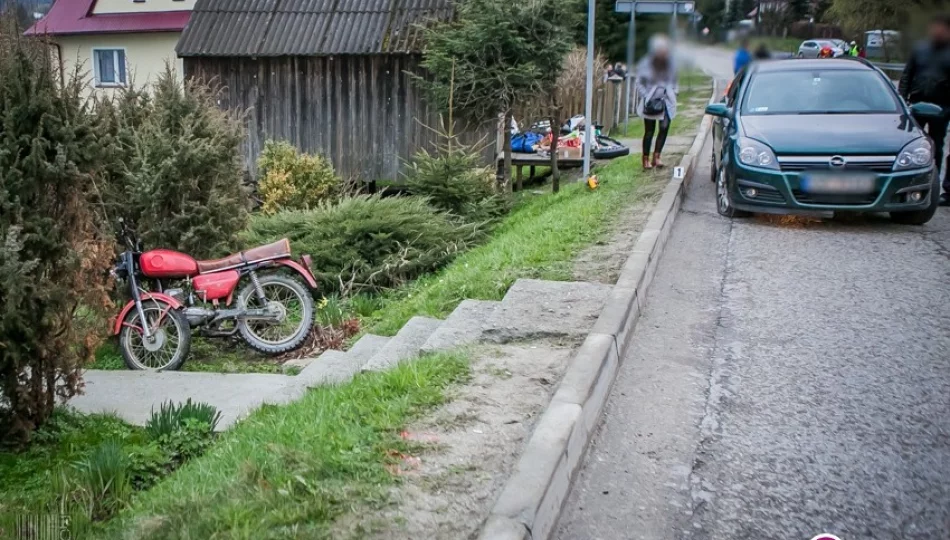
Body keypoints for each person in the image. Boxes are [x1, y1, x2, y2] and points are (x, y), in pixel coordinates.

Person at [899, 14, 950, 205]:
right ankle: (911, 182)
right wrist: (902, 101)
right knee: (912, 145)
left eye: (941, 28)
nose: (936, 31)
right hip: (916, 105)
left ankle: (935, 185)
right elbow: (907, 76)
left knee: (936, 145)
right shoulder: (920, 49)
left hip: (942, 107)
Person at [636, 35, 678, 170]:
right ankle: (645, 158)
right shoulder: (646, 64)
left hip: (666, 101)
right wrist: (647, 95)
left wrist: (674, 90)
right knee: (649, 131)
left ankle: (657, 156)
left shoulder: (670, 63)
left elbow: (674, 79)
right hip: (651, 102)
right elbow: (639, 83)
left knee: (664, 127)